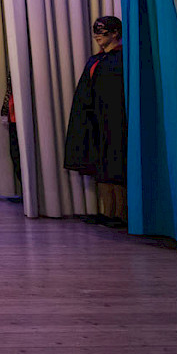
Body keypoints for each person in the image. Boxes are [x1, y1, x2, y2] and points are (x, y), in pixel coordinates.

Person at [63, 16, 127, 226]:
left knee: (116, 165)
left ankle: (121, 214)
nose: (97, 36)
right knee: (101, 166)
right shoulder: (96, 60)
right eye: (96, 31)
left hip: (116, 121)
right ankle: (107, 212)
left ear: (115, 33)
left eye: (102, 31)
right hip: (96, 121)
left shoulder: (122, 59)